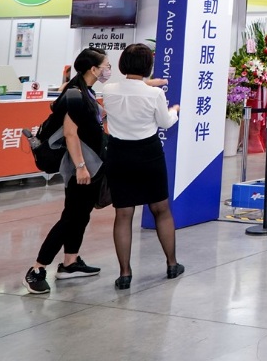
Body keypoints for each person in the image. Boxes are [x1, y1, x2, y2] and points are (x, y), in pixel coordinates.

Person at [23, 49, 110, 295]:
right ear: (93, 69)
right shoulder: (75, 93)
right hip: (80, 166)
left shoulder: (84, 90)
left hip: (90, 163)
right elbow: (71, 134)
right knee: (71, 217)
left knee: (81, 215)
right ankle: (37, 269)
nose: (108, 70)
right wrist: (81, 167)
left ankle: (70, 262)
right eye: (106, 65)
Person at [101, 43, 184, 289]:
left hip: (118, 153)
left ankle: (124, 274)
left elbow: (129, 88)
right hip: (148, 153)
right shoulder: (154, 94)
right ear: (148, 66)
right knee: (161, 210)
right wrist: (174, 110)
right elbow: (165, 122)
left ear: (122, 64)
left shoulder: (108, 89)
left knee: (123, 214)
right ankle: (172, 264)